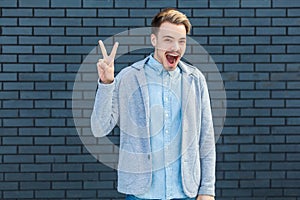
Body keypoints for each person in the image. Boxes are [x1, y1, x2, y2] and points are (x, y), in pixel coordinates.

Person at [91, 8, 216, 200]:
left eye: (181, 41)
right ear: (154, 40)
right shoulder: (129, 77)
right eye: (168, 39)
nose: (176, 47)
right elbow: (99, 128)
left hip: (185, 193)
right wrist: (107, 84)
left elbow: (205, 138)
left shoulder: (195, 80)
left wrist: (207, 190)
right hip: (141, 194)